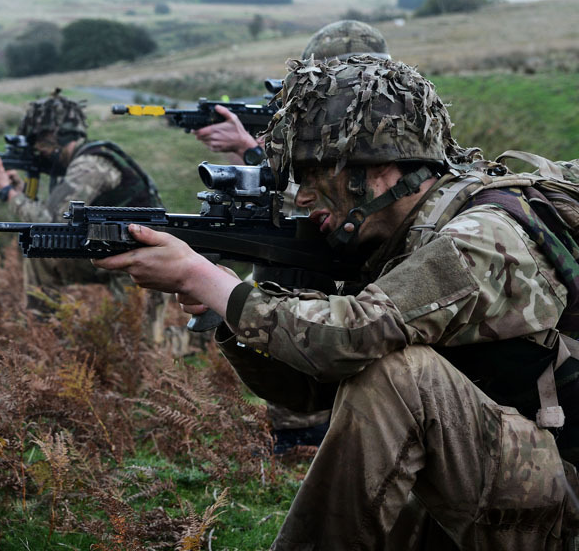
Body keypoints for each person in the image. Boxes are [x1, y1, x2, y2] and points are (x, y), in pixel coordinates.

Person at [95, 55, 579, 548]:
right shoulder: (397, 241)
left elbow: (354, 335)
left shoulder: (484, 235)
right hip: (511, 474)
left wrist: (211, 283)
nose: (301, 197)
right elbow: (309, 392)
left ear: (381, 167)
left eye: (311, 174)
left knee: (401, 373)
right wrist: (226, 307)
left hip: (563, 495)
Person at [197, 20, 394, 450]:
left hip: (350, 322)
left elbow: (315, 192)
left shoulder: (391, 130)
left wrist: (250, 148)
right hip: (302, 312)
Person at [0, 88, 169, 347]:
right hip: (112, 253)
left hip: (144, 261)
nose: (39, 151)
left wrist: (8, 193)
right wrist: (21, 191)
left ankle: (194, 343)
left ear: (59, 137)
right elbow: (53, 222)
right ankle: (44, 341)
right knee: (39, 255)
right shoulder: (82, 162)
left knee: (138, 348)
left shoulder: (89, 165)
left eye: (40, 142)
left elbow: (50, 223)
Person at [194, 19, 391, 163]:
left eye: (317, 81)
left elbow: (304, 201)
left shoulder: (371, 124)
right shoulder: (397, 109)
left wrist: (248, 148)